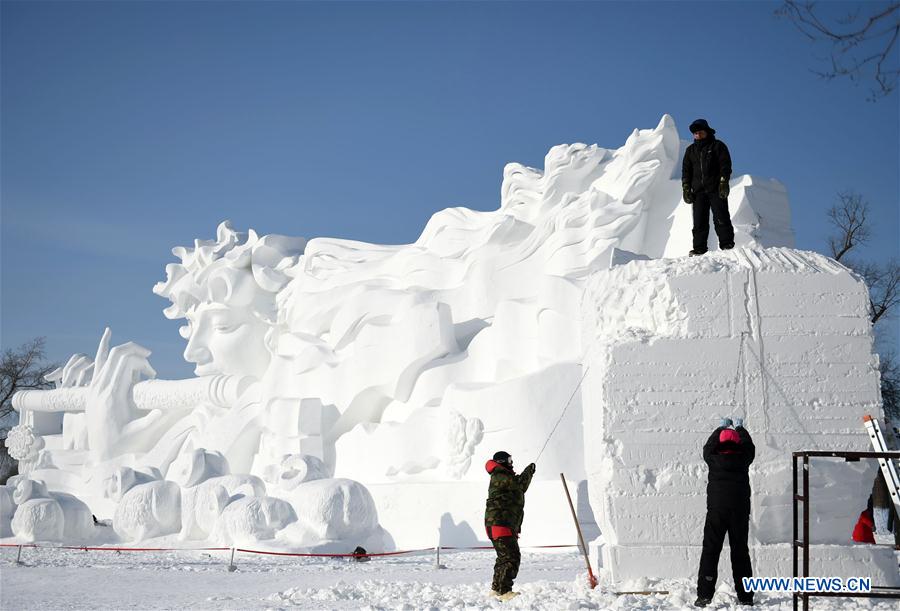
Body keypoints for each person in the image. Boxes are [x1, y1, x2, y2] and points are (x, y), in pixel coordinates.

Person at [695, 418, 755, 607]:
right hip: (739, 511)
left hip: (716, 511)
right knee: (740, 552)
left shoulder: (713, 458)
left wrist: (721, 427)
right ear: (737, 442)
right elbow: (749, 446)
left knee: (711, 551)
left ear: (720, 442)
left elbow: (708, 446)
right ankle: (746, 597)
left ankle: (704, 595)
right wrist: (740, 428)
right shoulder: (744, 458)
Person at [484, 451, 536, 601]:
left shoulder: (501, 475)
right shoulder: (500, 475)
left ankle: (497, 589)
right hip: (500, 523)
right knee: (512, 557)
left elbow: (518, 485)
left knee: (503, 557)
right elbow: (520, 485)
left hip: (499, 523)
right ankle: (504, 591)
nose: (511, 462)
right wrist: (529, 472)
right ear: (501, 461)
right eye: (509, 460)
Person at [682, 119, 735, 256]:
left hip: (716, 189)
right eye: (695, 134)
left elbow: (725, 165)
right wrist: (686, 188)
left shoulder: (717, 146)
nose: (697, 135)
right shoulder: (690, 151)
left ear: (706, 132)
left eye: (700, 132)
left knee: (721, 217)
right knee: (699, 221)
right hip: (698, 192)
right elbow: (686, 171)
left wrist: (724, 182)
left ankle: (727, 244)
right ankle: (699, 249)